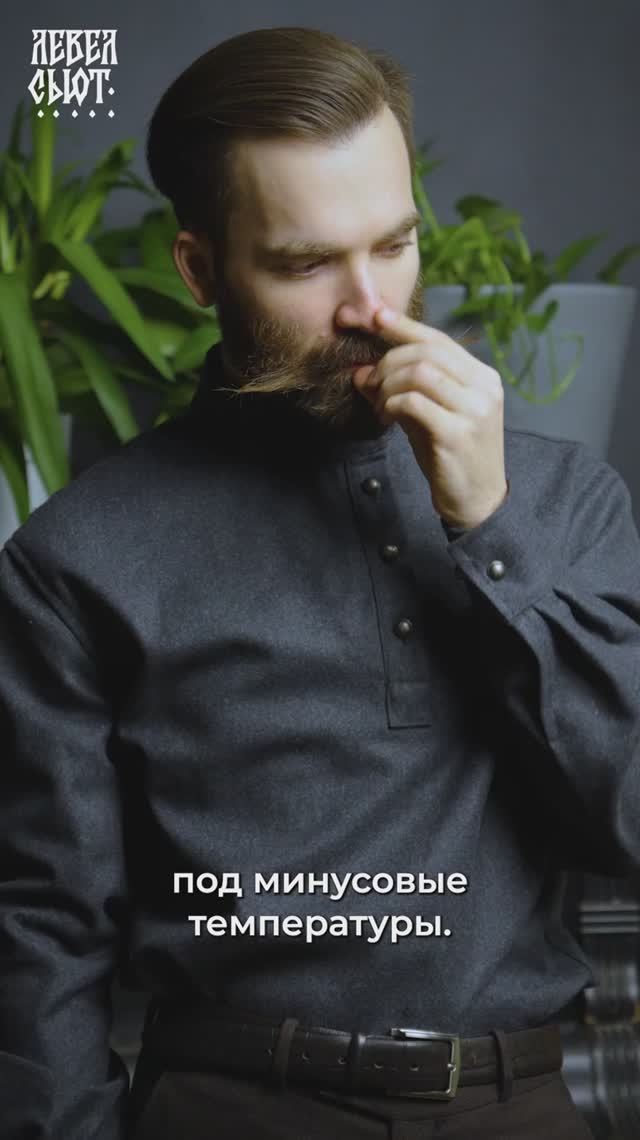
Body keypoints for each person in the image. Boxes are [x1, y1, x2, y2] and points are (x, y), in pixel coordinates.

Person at [0, 25, 638, 1140]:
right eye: (305, 264)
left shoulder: (565, 502)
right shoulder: (78, 559)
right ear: (201, 269)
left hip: (522, 1102)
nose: (370, 307)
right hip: (232, 1105)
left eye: (395, 244)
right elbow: (39, 938)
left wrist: (491, 532)